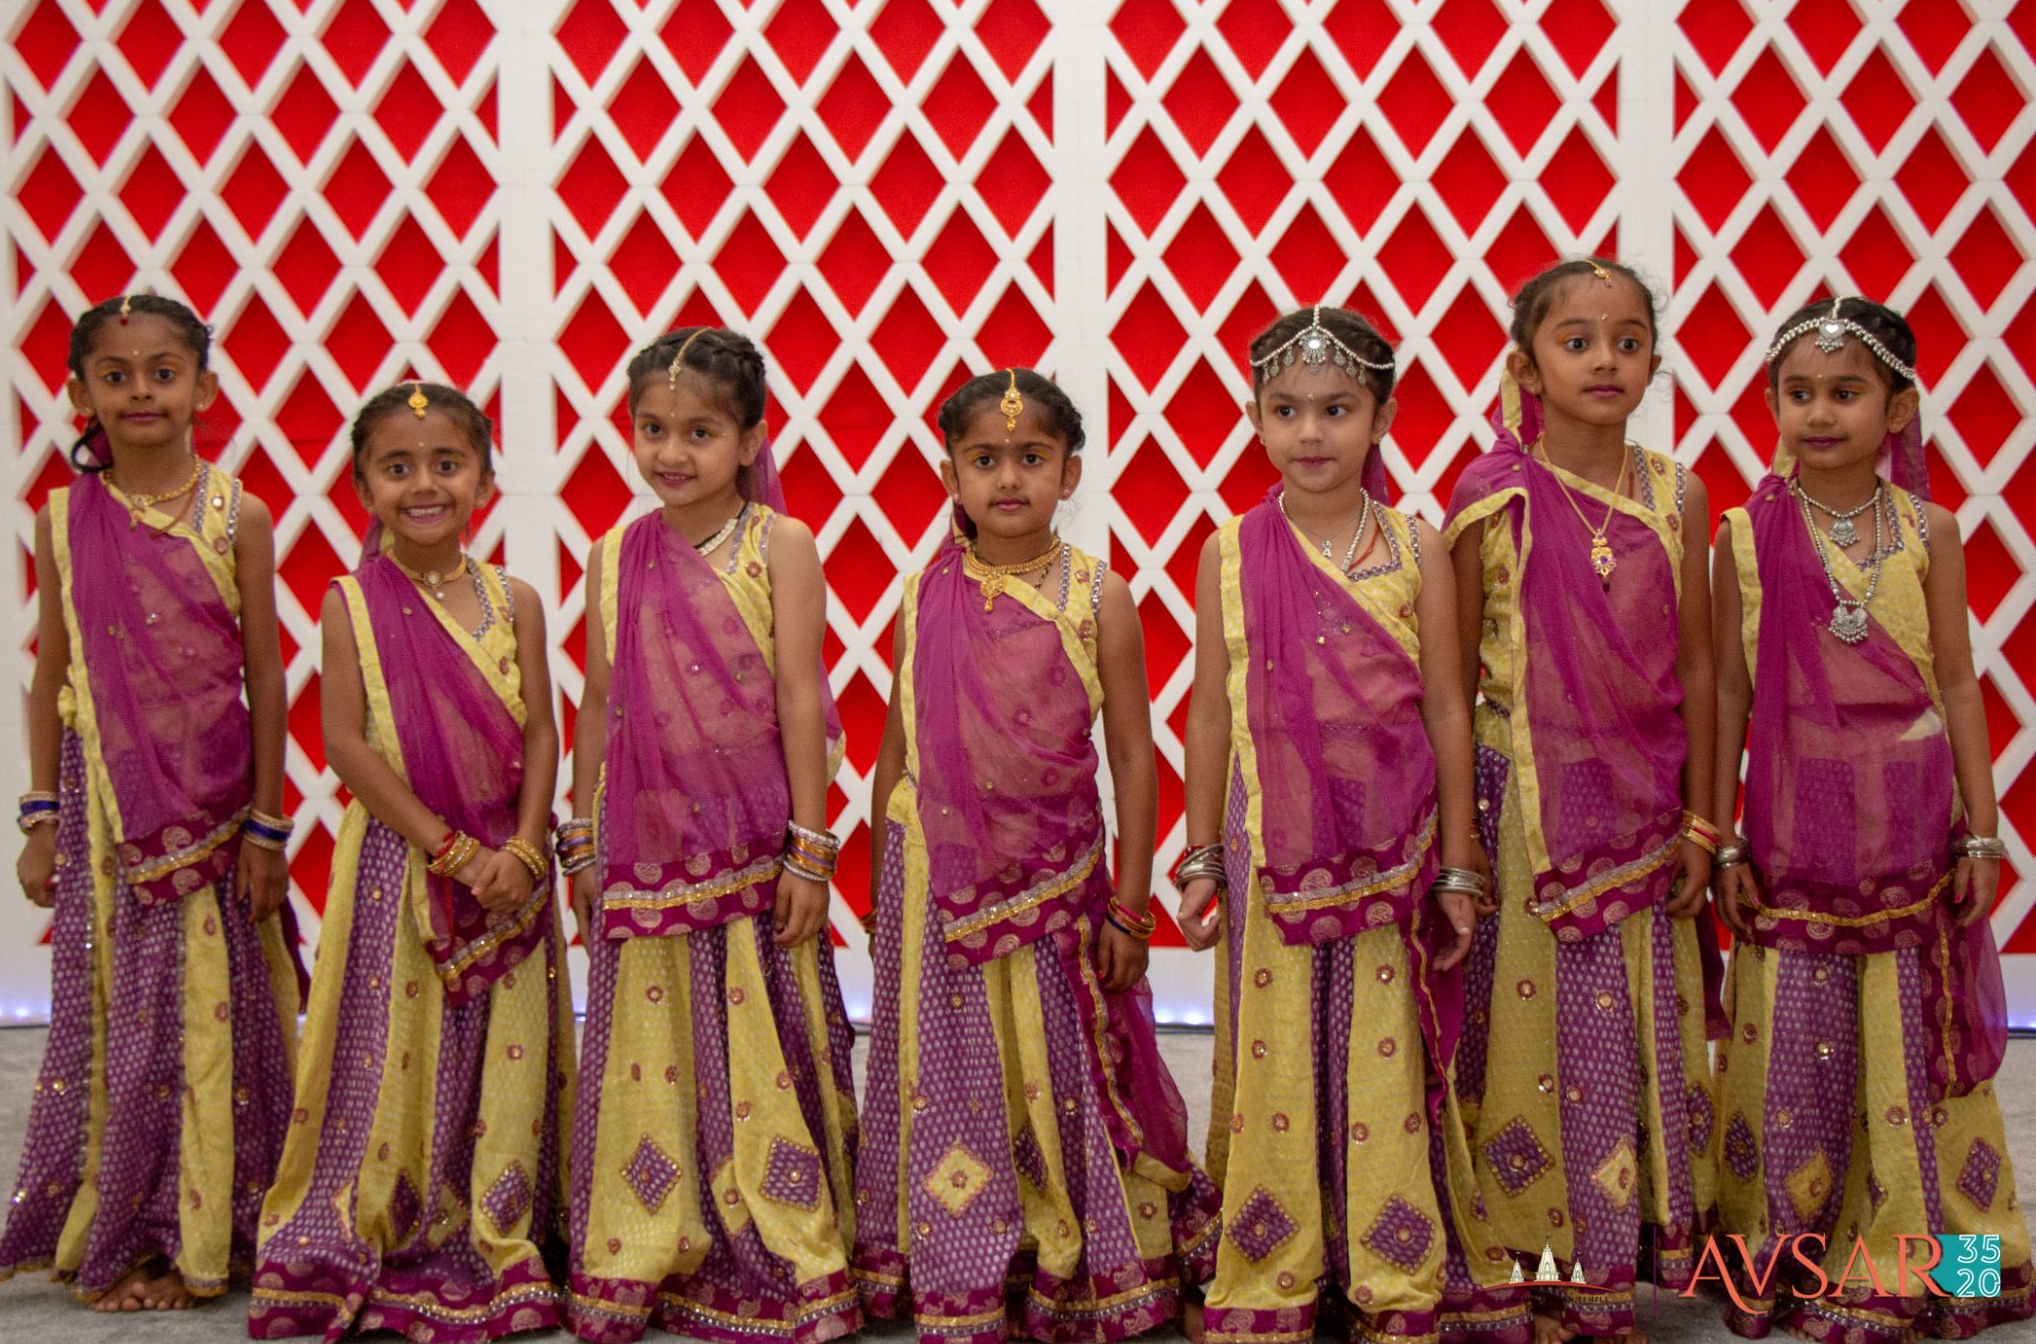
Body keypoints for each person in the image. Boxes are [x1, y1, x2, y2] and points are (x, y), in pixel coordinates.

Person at [1175, 306, 1528, 1343]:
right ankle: (1274, 1258)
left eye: (1336, 409)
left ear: (1382, 417)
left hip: (1394, 844)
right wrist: (1200, 856)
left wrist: (1456, 862)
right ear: (1254, 417)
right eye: (1285, 410)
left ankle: (1390, 1260)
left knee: (1380, 1054)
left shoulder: (1416, 547)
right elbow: (1209, 712)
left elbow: (1447, 708)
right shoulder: (1230, 551)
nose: (1309, 432)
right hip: (1271, 845)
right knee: (1278, 1048)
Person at [853, 368, 1220, 1344]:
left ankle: (1068, 1241)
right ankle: (959, 1249)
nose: (1007, 477)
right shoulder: (923, 592)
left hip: (1057, 880)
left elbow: (1134, 755)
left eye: (1030, 457)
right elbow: (896, 747)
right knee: (951, 1072)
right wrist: (884, 884)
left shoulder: (1098, 594)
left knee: (1059, 1065)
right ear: (950, 476)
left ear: (1069, 473)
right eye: (984, 459)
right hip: (932, 881)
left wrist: (1131, 904)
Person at [1707, 295, 2032, 1337]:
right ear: (1770, 404)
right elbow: (1726, 694)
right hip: (1792, 834)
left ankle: (1949, 1256)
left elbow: (1957, 683)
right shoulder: (1743, 537)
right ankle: (1784, 1251)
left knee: (1912, 1049)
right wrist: (1718, 837)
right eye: (1797, 392)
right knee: (1793, 1047)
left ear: (1895, 410)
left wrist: (1981, 831)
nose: (1819, 413)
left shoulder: (1930, 530)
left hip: (1909, 830)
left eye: (1845, 392)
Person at [0, 293, 303, 1312]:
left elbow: (264, 677)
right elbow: (53, 676)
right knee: (128, 1025)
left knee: (220, 1022)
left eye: (163, 372)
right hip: (108, 817)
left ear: (202, 389)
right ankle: (131, 1228)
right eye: (115, 374)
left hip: (218, 810)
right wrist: (40, 819)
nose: (140, 391)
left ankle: (219, 1224)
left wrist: (267, 826)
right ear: (79, 393)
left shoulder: (238, 514)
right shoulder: (63, 519)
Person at [250, 381, 573, 1341]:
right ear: (363, 488)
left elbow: (544, 729)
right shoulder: (350, 602)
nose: (424, 484)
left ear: (484, 479)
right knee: (396, 1049)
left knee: (509, 1051)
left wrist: (524, 848)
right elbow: (346, 743)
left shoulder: (516, 599)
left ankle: (501, 1224)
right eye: (398, 467)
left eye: (446, 463)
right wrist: (456, 853)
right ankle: (397, 1212)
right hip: (402, 871)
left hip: (514, 873)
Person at [564, 327, 861, 1344]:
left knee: (764, 1045)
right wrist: (581, 838)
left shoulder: (780, 543)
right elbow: (598, 701)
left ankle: (782, 1230)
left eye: (699, 431)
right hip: (643, 848)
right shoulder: (614, 554)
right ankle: (656, 1228)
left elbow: (798, 697)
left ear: (750, 439)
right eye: (652, 429)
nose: (671, 452)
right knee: (655, 1054)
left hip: (752, 848)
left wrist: (810, 850)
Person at [1444, 260, 1720, 1343]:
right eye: (1576, 340)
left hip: (1644, 811)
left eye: (1627, 340)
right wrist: (1457, 844)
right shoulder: (1491, 495)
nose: (1605, 359)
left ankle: (1611, 1262)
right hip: (1520, 809)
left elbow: (1697, 670)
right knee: (1521, 1036)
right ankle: (1525, 1262)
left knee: (1623, 1036)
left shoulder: (1676, 493)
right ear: (1525, 366)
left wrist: (1703, 821)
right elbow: (1449, 684)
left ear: (1651, 359)